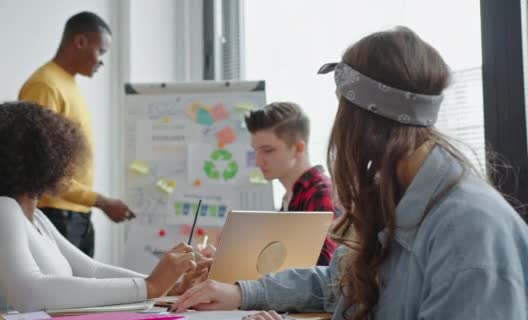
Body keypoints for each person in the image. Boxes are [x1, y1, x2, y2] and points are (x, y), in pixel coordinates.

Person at [169, 26, 528, 319]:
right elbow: (340, 282)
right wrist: (242, 292)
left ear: (360, 119)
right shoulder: (396, 195)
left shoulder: (471, 230)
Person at [0, 102, 208, 315]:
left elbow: (92, 271)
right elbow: (28, 293)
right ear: (42, 158)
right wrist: (150, 286)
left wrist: (167, 284)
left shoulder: (35, 218)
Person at [18, 11, 124, 257]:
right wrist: (102, 201)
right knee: (64, 295)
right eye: (101, 51)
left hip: (78, 214)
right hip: (56, 216)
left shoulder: (68, 83)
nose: (101, 62)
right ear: (79, 42)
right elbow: (41, 166)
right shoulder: (45, 85)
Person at [244, 102, 336, 265]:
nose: (258, 161)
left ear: (298, 148)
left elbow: (325, 272)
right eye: (255, 151)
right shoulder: (290, 197)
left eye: (268, 150)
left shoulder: (322, 193)